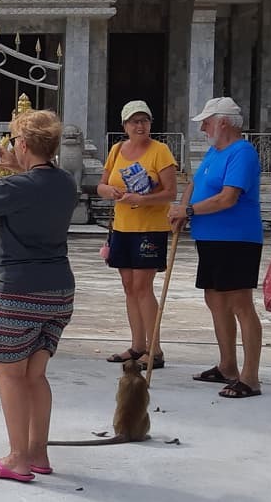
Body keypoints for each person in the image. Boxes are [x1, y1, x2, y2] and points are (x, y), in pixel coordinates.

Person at [0, 109, 74, 483]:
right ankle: (38, 452)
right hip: (59, 290)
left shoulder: (16, 188)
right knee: (36, 374)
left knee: (9, 374)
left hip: (21, 290)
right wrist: (15, 166)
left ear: (23, 144)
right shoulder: (65, 182)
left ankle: (18, 458)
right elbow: (37, 190)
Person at [168, 97, 264, 399]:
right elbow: (195, 184)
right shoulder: (214, 151)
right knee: (215, 299)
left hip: (237, 239)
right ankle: (227, 365)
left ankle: (250, 377)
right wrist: (182, 209)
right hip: (210, 238)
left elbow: (227, 198)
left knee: (239, 303)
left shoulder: (242, 152)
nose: (203, 128)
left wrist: (190, 211)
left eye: (207, 122)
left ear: (223, 122)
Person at [96, 100, 179, 369]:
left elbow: (170, 193)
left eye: (144, 121)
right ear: (125, 126)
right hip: (122, 227)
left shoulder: (160, 151)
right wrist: (109, 192)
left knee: (144, 287)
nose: (139, 126)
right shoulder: (118, 149)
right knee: (129, 287)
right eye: (134, 121)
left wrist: (143, 199)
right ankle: (137, 345)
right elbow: (101, 185)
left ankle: (155, 349)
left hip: (150, 228)